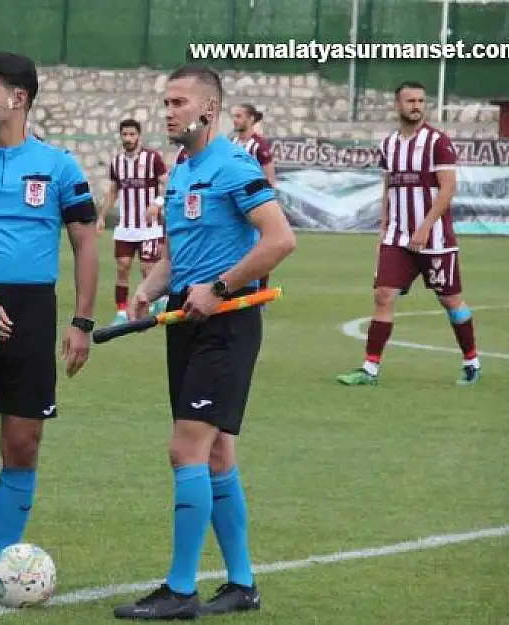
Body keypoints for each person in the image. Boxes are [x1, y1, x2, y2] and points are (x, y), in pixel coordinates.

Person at [114, 64, 296, 620]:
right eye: (164, 103)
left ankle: (180, 590)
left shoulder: (233, 166)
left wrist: (219, 288)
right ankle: (242, 585)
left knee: (185, 449)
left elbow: (280, 239)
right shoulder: (183, 169)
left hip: (228, 323)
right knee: (217, 453)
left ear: (208, 110)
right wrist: (148, 288)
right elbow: (177, 256)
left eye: (176, 102)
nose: (166, 112)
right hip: (184, 320)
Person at [0, 51, 99, 594]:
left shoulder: (60, 165)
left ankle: (6, 562)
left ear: (16, 97)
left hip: (33, 312)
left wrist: (82, 321)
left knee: (22, 444)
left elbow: (86, 243)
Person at [336, 80, 480, 387]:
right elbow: (390, 187)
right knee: (383, 295)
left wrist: (424, 227)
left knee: (451, 300)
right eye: (410, 101)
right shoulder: (389, 144)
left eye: (420, 101)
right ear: (397, 105)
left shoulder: (437, 142)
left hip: (434, 238)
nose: (416, 105)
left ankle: (471, 361)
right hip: (397, 237)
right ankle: (370, 368)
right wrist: (384, 229)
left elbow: (448, 188)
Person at [97, 118, 168, 324]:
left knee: (148, 269)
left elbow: (166, 182)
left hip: (149, 228)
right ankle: (121, 312)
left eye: (132, 134)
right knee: (123, 267)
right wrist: (101, 216)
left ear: (139, 136)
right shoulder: (117, 162)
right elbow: (113, 191)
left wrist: (158, 203)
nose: (128, 138)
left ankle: (156, 302)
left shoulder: (153, 158)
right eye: (125, 134)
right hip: (126, 227)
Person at [230, 103, 276, 290]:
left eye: (239, 116)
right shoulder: (231, 143)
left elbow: (270, 179)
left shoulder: (259, 145)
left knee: (259, 249)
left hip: (254, 205)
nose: (235, 120)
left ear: (250, 119)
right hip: (233, 205)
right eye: (234, 116)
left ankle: (260, 292)